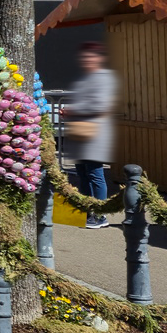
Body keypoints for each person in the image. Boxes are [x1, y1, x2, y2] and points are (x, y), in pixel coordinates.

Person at [65, 41, 117, 229]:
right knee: (83, 175)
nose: (86, 60)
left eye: (90, 57)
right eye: (84, 57)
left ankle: (101, 215)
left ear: (99, 58)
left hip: (95, 134)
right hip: (81, 135)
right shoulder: (86, 78)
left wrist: (73, 110)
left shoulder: (104, 78)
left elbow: (99, 105)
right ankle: (89, 212)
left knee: (95, 175)